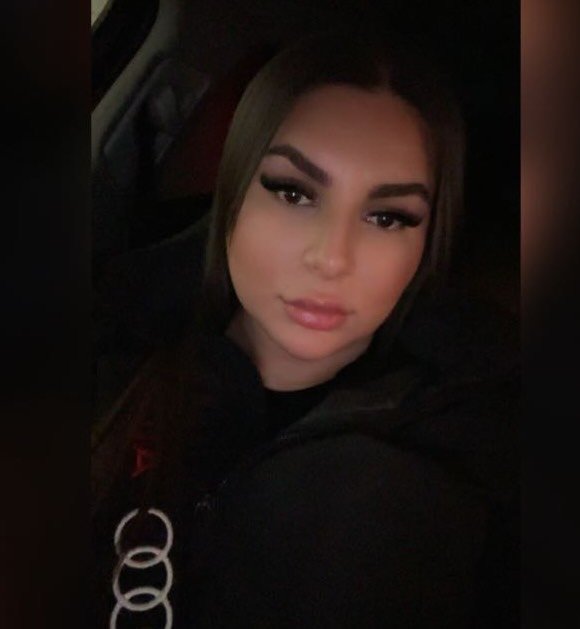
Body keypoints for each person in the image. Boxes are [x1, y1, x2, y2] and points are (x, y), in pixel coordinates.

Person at [92, 29, 518, 628]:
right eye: (293, 193)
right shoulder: (106, 348)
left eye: (387, 217)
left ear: (427, 245)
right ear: (234, 195)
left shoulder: (468, 463)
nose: (332, 257)